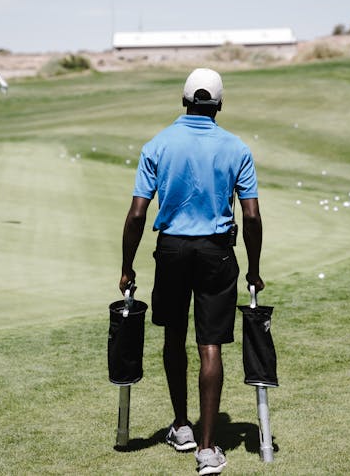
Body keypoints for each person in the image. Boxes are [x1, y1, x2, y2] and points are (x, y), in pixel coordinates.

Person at [119, 68, 264, 475]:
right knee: (210, 345)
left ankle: (182, 426)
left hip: (172, 250)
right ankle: (206, 448)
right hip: (217, 251)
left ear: (184, 101)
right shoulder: (236, 148)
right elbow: (250, 217)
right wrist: (254, 268)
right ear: (219, 104)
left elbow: (136, 214)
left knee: (174, 336)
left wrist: (127, 266)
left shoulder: (158, 144)